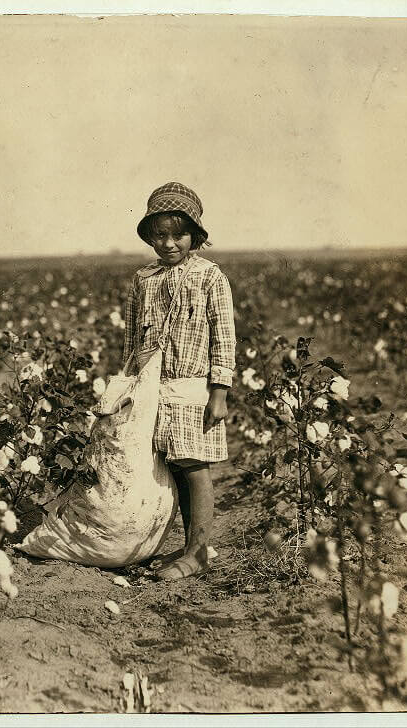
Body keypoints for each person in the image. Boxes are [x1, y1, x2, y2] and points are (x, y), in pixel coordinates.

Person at [122, 182, 236, 581]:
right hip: (154, 387)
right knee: (173, 463)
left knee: (194, 465)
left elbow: (224, 336)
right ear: (150, 237)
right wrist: (129, 385)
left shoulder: (209, 277)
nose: (169, 244)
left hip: (193, 386)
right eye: (160, 236)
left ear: (195, 236)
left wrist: (219, 392)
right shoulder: (143, 279)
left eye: (179, 235)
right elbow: (132, 340)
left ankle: (200, 550)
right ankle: (192, 546)